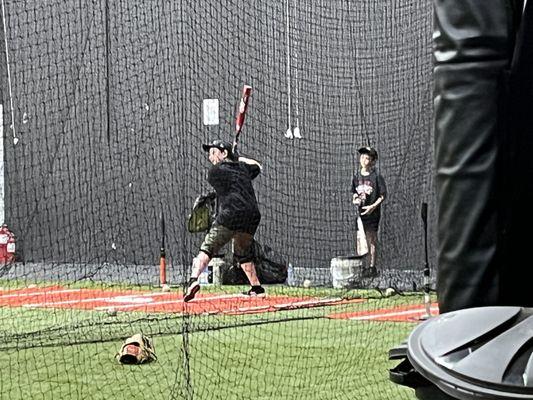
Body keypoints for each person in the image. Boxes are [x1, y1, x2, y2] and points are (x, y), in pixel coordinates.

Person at [184, 139, 265, 302]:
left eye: (214, 153)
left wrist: (232, 159)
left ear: (224, 154)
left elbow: (225, 179)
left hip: (231, 214)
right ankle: (257, 288)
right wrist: (237, 158)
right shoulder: (243, 168)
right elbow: (258, 166)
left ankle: (192, 280)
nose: (210, 157)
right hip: (252, 215)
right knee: (243, 252)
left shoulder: (215, 171)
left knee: (208, 247)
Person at [351, 146, 387, 278]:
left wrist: (373, 206)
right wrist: (355, 199)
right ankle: (362, 266)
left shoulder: (376, 177)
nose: (363, 160)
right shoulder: (356, 176)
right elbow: (354, 192)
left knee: (371, 239)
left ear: (372, 161)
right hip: (360, 214)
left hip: (373, 213)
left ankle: (372, 267)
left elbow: (383, 195)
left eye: (367, 157)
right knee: (361, 239)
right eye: (362, 157)